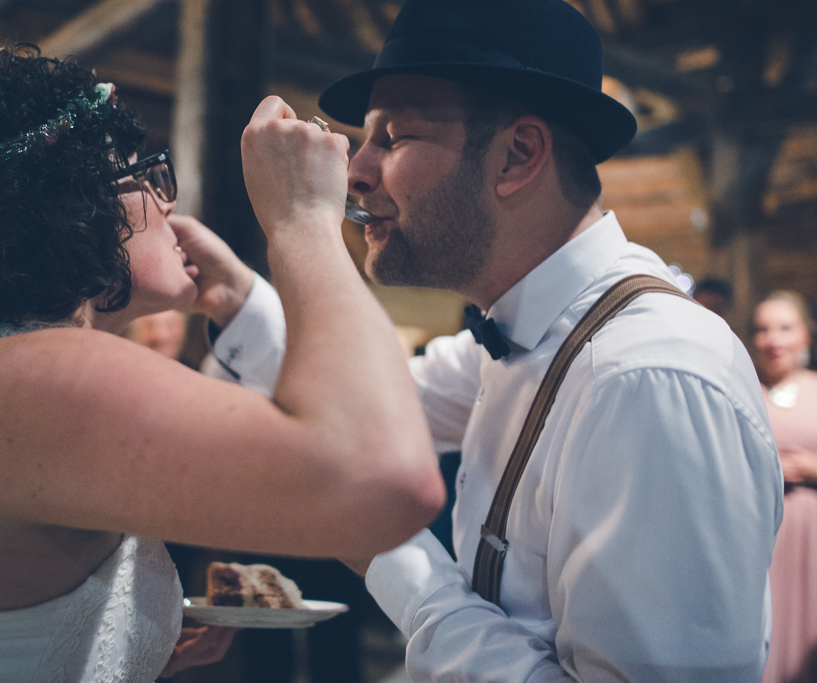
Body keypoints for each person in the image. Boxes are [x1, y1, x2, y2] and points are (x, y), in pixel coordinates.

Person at [0, 47, 445, 681]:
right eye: (150, 174)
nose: (169, 205)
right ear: (76, 205)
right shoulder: (30, 377)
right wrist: (304, 220)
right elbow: (384, 480)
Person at [195, 0, 783, 679]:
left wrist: (383, 543)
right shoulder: (512, 336)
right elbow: (363, 407)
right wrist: (238, 299)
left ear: (518, 154)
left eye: (392, 136)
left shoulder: (648, 376)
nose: (355, 172)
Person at [755, 292, 817, 683]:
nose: (773, 340)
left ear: (806, 337)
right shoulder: (745, 390)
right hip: (762, 531)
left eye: (784, 328)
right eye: (762, 329)